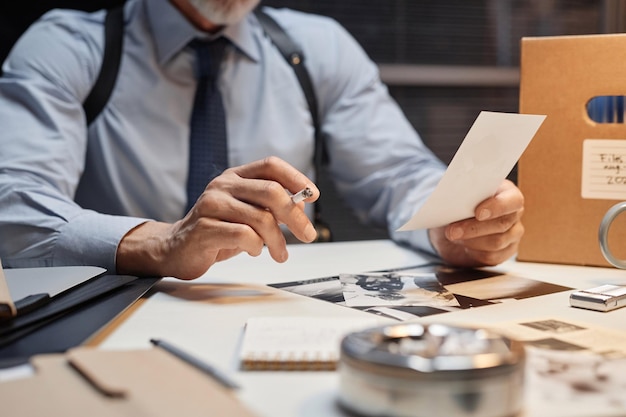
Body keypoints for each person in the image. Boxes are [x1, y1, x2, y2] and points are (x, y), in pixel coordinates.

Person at [0, 0, 524, 280]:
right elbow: (14, 209)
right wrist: (162, 244)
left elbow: (399, 175)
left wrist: (451, 228)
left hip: (291, 304)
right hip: (122, 305)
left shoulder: (320, 48)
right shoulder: (68, 46)